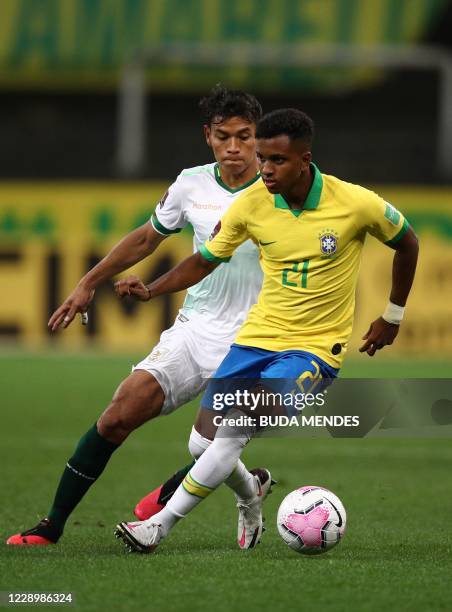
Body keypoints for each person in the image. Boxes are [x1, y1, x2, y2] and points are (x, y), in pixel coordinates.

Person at [113, 107, 419, 553]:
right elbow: (204, 260)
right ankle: (251, 494)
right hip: (256, 339)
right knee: (202, 444)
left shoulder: (355, 202)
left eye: (276, 161)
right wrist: (153, 290)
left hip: (314, 351)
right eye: (263, 158)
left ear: (304, 159)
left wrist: (392, 315)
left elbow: (407, 242)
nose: (266, 170)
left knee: (233, 430)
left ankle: (157, 526)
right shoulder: (252, 205)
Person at [7, 85, 271, 548]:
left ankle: (218, 497)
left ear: (258, 138)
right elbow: (146, 239)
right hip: (197, 327)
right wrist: (88, 282)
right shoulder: (191, 182)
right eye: (224, 136)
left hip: (258, 337)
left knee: (209, 447)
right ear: (207, 136)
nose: (234, 147)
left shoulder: (279, 187)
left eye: (245, 137)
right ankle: (51, 525)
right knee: (116, 415)